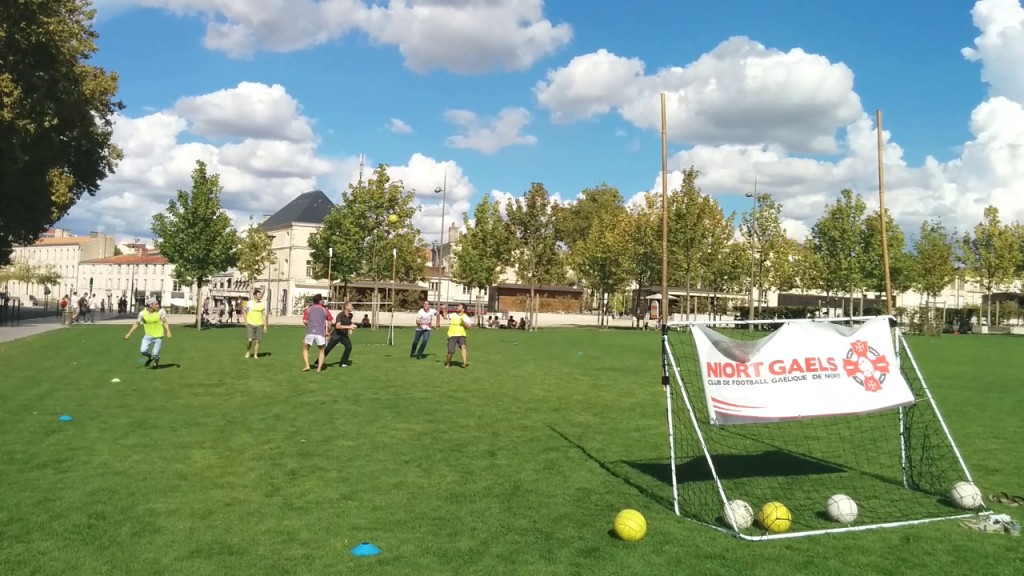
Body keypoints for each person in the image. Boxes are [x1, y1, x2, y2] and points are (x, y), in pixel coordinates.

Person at [124, 297, 172, 368]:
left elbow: (165, 322)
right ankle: (150, 357)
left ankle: (156, 364)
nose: (158, 305)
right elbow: (136, 324)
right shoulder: (142, 314)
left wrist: (168, 331)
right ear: (151, 305)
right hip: (148, 335)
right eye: (156, 304)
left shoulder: (160, 312)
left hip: (158, 336)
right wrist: (129, 334)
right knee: (143, 351)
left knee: (155, 353)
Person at [302, 294, 333, 372]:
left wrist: (310, 325)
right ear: (320, 301)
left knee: (305, 348)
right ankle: (319, 368)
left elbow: (305, 321)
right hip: (320, 333)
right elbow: (330, 322)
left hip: (310, 332)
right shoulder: (324, 310)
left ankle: (307, 366)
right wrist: (328, 332)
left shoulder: (308, 310)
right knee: (321, 350)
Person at [323, 301, 356, 367]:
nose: (352, 307)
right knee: (328, 349)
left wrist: (352, 326)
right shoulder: (340, 315)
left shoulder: (350, 315)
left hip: (344, 335)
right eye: (351, 306)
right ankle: (318, 361)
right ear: (346, 307)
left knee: (349, 347)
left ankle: (343, 362)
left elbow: (349, 323)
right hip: (336, 335)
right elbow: (337, 326)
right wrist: (349, 327)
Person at [244, 289, 269, 359]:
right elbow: (244, 311)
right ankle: (248, 351)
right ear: (255, 295)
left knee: (257, 341)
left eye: (260, 295)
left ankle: (255, 354)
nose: (260, 296)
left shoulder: (262, 304)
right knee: (250, 340)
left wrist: (265, 326)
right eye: (259, 295)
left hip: (259, 324)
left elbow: (264, 315)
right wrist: (246, 321)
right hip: (250, 324)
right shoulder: (249, 303)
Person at [445, 303, 471, 368]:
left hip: (461, 335)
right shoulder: (453, 315)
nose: (457, 307)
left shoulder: (466, 317)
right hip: (452, 335)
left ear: (463, 309)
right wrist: (443, 309)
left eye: (459, 306)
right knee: (450, 351)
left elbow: (470, 328)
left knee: (463, 347)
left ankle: (464, 363)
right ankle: (448, 363)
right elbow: (445, 316)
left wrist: (464, 323)